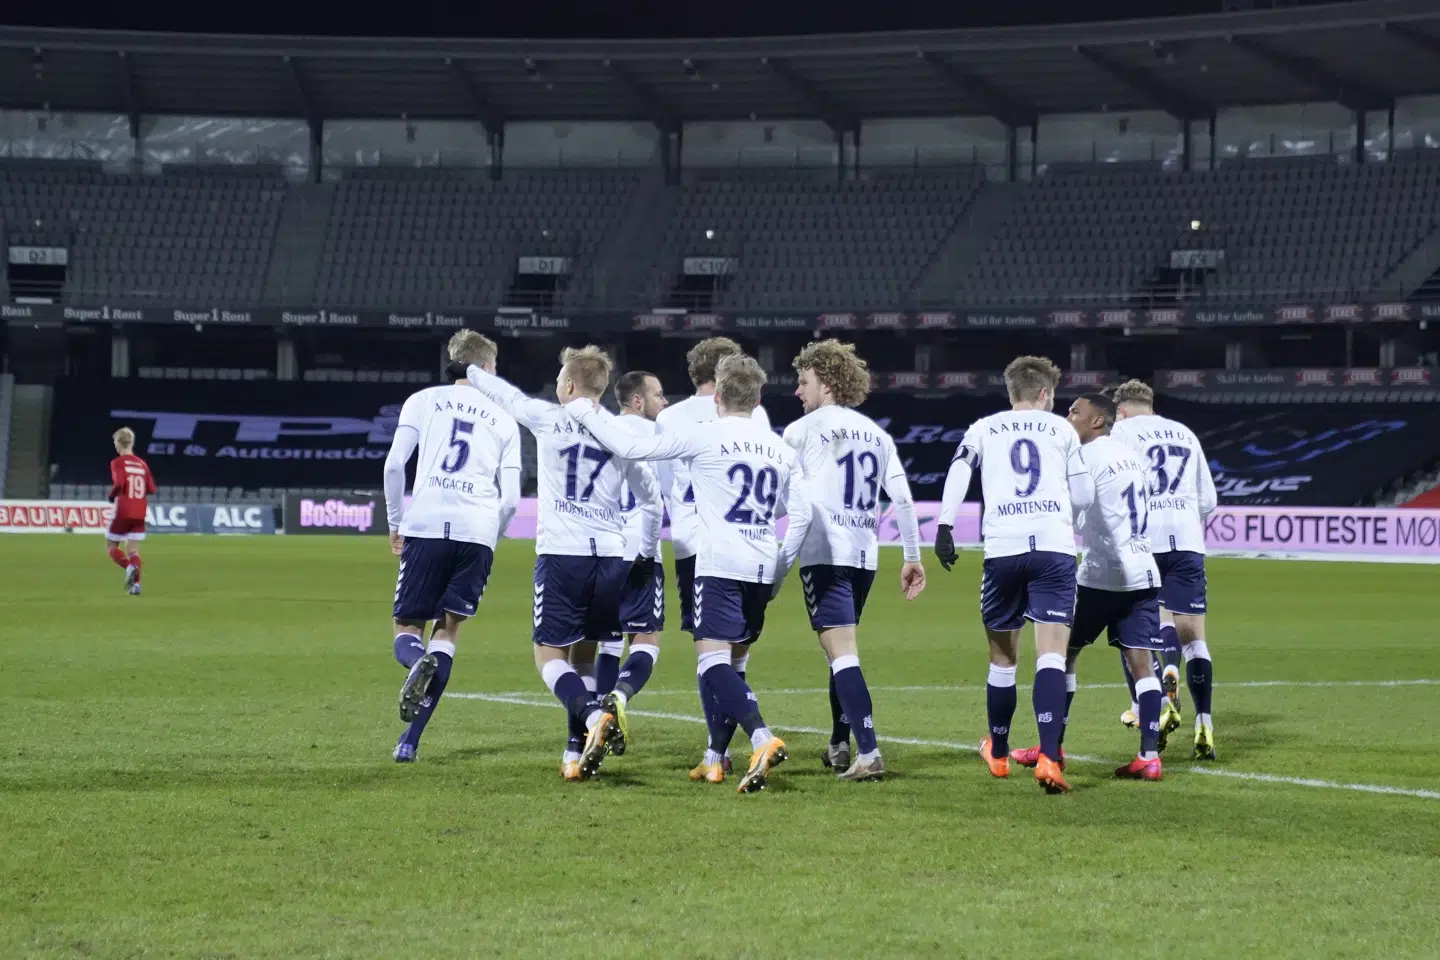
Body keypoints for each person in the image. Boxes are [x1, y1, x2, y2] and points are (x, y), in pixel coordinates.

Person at [564, 354, 810, 793]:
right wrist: (781, 568)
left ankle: (761, 736)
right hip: (760, 563)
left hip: (718, 564)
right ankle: (715, 759)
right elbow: (803, 514)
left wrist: (583, 410)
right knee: (736, 663)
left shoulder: (703, 436)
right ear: (757, 399)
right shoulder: (780, 448)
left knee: (712, 664)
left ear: (717, 396)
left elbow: (632, 449)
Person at [464, 346, 662, 781]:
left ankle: (593, 719)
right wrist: (644, 552)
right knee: (587, 655)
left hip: (563, 553)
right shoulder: (618, 433)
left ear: (569, 385)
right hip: (611, 556)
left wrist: (472, 373)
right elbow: (650, 497)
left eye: (559, 378)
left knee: (548, 654)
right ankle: (574, 753)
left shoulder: (549, 417)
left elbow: (507, 397)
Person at [933, 355, 1094, 795]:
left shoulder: (984, 427)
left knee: (1003, 659)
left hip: (1003, 550)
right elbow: (1083, 492)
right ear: (1045, 394)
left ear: (1012, 393)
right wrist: (1067, 517)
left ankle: (1000, 755)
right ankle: (1048, 757)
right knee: (1051, 657)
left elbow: (959, 468)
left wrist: (945, 526)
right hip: (1054, 550)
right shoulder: (1062, 429)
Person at [783, 340, 926, 782]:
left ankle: (868, 750)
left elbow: (785, 499)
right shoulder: (877, 434)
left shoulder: (800, 431)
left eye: (803, 381)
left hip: (825, 555)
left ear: (824, 382)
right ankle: (839, 745)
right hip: (865, 557)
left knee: (841, 652)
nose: (797, 392)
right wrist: (912, 557)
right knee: (838, 653)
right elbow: (901, 497)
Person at [1009, 394, 1169, 781]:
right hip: (1143, 571)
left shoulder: (1086, 458)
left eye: (1075, 412)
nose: (1068, 417)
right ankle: (1149, 756)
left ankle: (1052, 748)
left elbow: (1075, 517)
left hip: (1101, 576)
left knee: (1062, 655)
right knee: (1142, 664)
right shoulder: (1132, 456)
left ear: (1097, 421)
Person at [383, 331, 522, 763]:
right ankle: (411, 740)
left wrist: (394, 523)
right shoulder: (505, 419)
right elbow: (513, 499)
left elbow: (393, 464)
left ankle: (414, 662)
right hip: (477, 529)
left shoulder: (422, 401)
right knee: (448, 631)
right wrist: (490, 538)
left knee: (408, 628)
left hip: (427, 522)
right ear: (485, 369)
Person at [655, 338, 772, 774]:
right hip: (750, 543)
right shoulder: (754, 415)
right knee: (735, 655)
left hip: (694, 542)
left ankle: (720, 753)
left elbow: (665, 484)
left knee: (709, 651)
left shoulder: (669, 417)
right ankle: (716, 750)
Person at [1110, 379, 1218, 760]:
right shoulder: (1185, 433)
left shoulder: (1120, 432)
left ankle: (1152, 698)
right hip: (1187, 539)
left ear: (1121, 409)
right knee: (1196, 638)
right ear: (1150, 405)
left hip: (1145, 539)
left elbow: (1112, 486)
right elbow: (1208, 499)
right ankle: (1204, 721)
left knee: (1141, 627)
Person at [105, 427, 155, 596]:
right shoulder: (142, 464)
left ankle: (129, 568)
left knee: (111, 546)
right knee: (133, 550)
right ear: (131, 443)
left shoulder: (117, 462)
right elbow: (151, 488)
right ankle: (135, 586)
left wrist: (112, 496)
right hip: (140, 509)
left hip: (124, 509)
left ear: (119, 443)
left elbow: (119, 483)